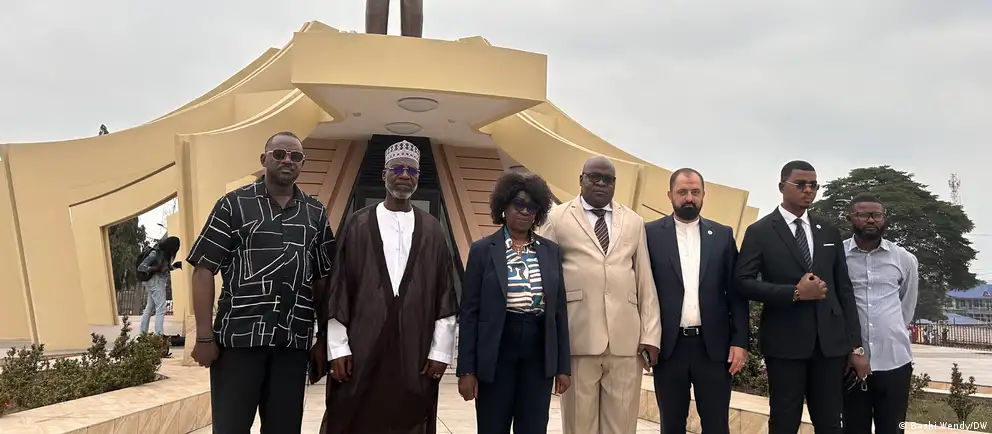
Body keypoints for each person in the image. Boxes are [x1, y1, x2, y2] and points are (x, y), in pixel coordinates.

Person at [186, 131, 336, 433]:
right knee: (231, 428)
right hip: (239, 341)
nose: (287, 160)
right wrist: (203, 336)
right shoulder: (233, 205)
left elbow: (323, 279)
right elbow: (203, 269)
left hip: (292, 344)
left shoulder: (315, 213)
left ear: (303, 163)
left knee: (284, 428)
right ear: (264, 159)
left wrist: (323, 339)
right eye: (279, 154)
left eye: (295, 156)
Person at [320, 140, 459, 434]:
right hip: (361, 345)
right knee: (353, 416)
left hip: (415, 348)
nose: (404, 175)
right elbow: (338, 289)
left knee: (409, 416)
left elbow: (445, 292)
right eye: (397, 168)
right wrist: (337, 348)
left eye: (411, 170)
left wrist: (440, 352)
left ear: (418, 177)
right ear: (384, 174)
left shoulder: (433, 230)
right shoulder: (358, 224)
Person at [734, 160, 865, 434]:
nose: (808, 190)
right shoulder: (760, 232)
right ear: (782, 187)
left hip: (830, 346)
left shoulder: (828, 231)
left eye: (814, 185)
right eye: (801, 184)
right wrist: (794, 293)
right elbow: (743, 283)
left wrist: (855, 347)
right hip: (785, 344)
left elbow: (844, 290)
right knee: (784, 423)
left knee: (830, 424)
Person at [537, 155, 661, 434]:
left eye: (608, 179)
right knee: (579, 425)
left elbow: (645, 281)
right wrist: (550, 340)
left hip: (626, 344)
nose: (601, 183)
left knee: (622, 426)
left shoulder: (633, 221)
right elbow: (545, 280)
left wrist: (651, 335)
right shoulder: (556, 218)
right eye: (594, 177)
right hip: (578, 339)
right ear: (581, 180)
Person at [457, 172, 572, 434]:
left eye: (532, 207)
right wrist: (466, 370)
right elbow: (470, 312)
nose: (524, 211)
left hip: (537, 352)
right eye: (518, 204)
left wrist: (563, 367)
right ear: (504, 206)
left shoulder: (550, 251)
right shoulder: (483, 250)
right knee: (492, 426)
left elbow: (559, 313)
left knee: (533, 427)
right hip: (497, 350)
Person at [644, 168, 748, 434]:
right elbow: (641, 290)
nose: (689, 198)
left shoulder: (722, 235)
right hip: (669, 348)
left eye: (695, 192)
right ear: (670, 195)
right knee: (671, 425)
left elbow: (736, 292)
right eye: (682, 192)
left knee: (716, 425)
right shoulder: (650, 234)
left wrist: (739, 341)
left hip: (713, 348)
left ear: (703, 195)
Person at [841, 194, 919, 434]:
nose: (871, 220)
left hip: (894, 361)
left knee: (893, 428)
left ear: (884, 219)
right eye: (863, 215)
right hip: (850, 364)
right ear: (850, 218)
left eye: (876, 215)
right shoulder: (838, 256)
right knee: (853, 429)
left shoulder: (904, 259)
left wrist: (890, 329)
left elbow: (906, 306)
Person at [138, 236, 181, 336]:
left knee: (149, 308)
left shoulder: (165, 254)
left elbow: (165, 269)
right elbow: (141, 267)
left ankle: (142, 334)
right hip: (155, 281)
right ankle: (159, 335)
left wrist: (175, 266)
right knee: (161, 309)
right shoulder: (155, 253)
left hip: (157, 281)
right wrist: (156, 268)